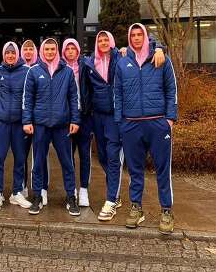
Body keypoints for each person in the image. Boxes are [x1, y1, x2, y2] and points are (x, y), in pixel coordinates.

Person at [83, 30, 166, 221]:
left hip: (115, 116)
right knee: (103, 156)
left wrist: (159, 47)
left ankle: (112, 199)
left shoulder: (120, 56)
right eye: (100, 40)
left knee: (113, 156)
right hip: (98, 116)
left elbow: (144, 41)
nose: (103, 42)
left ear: (112, 41)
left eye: (106, 39)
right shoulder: (90, 62)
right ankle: (115, 189)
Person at [114, 23, 177, 234]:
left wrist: (170, 119)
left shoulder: (161, 59)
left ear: (145, 37)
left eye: (139, 34)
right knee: (134, 170)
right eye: (133, 35)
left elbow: (171, 89)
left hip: (157, 123)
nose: (136, 38)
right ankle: (136, 207)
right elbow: (117, 93)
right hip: (131, 124)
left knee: (162, 170)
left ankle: (166, 210)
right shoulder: (123, 63)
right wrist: (121, 121)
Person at [22, 38, 80, 216]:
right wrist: (27, 121)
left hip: (62, 125)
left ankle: (71, 197)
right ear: (42, 51)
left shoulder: (67, 72)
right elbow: (27, 98)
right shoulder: (34, 71)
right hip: (40, 125)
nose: (49, 52)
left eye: (52, 49)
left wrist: (75, 120)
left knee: (67, 163)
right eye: (46, 49)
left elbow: (74, 98)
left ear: (57, 51)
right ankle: (37, 196)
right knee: (38, 162)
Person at [0, 42, 32, 211]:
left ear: (17, 54)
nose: (10, 55)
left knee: (20, 159)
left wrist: (27, 119)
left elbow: (29, 97)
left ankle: (17, 192)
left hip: (19, 123)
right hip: (1, 123)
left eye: (13, 53)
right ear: (3, 54)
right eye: (7, 53)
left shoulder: (26, 71)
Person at [61, 38, 91, 207]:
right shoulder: (59, 67)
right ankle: (71, 190)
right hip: (66, 118)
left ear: (78, 50)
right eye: (68, 48)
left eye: (73, 48)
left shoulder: (86, 66)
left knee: (85, 154)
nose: (71, 51)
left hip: (84, 116)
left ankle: (84, 189)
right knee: (68, 155)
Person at [20, 39, 50, 203]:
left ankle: (41, 188)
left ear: (36, 51)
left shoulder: (42, 67)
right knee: (22, 155)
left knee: (40, 156)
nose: (28, 52)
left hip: (39, 120)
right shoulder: (17, 67)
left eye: (31, 49)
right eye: (25, 49)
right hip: (23, 120)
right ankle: (23, 186)